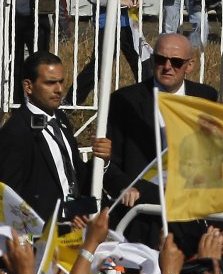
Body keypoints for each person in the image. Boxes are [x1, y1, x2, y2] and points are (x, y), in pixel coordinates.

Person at [104, 33, 218, 250]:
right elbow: (110, 162)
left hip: (189, 212)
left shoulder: (205, 97)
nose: (167, 67)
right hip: (143, 211)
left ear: (190, 65)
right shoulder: (125, 100)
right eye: (160, 59)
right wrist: (124, 186)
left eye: (176, 62)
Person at [0, 52, 111, 222]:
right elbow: (11, 199)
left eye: (61, 82)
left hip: (76, 224)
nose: (59, 89)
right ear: (28, 87)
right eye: (50, 83)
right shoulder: (15, 132)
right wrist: (58, 222)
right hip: (43, 235)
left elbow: (75, 179)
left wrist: (101, 160)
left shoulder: (60, 119)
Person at [65, 0, 152, 106]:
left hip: (130, 22)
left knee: (143, 62)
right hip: (106, 24)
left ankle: (152, 101)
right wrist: (119, 1)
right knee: (100, 65)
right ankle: (71, 101)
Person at [12, 0, 51, 104]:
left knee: (41, 64)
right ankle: (17, 104)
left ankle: (40, 102)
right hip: (13, 16)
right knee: (15, 65)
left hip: (39, 16)